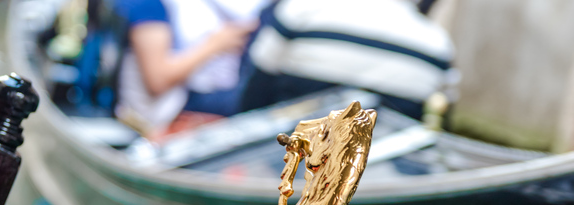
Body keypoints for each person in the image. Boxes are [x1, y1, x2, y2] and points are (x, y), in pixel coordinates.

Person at [240, 0, 458, 120]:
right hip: (380, 181)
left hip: (286, 167)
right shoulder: (439, 46)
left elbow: (254, 95)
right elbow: (437, 120)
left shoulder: (299, 10)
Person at [114, 0, 269, 134]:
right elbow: (158, 79)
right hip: (164, 114)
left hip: (183, 101)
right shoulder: (147, 5)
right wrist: (215, 44)